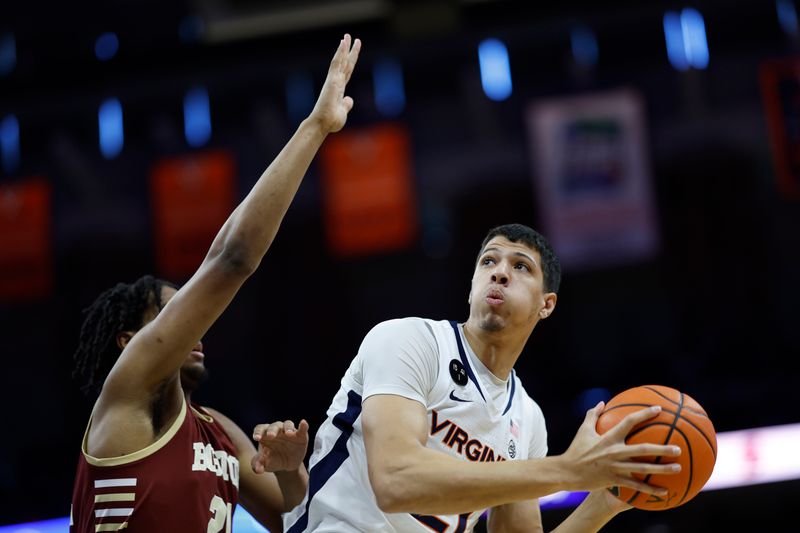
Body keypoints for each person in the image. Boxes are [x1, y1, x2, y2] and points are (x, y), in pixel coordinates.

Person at [69, 34, 362, 533]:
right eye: (168, 311)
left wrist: (291, 471)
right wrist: (315, 128)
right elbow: (231, 260)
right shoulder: (131, 393)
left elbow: (297, 520)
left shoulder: (218, 430)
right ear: (129, 342)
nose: (193, 323)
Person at [278, 223, 682, 533]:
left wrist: (605, 501)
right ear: (471, 285)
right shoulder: (409, 340)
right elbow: (396, 483)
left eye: (520, 266)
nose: (500, 273)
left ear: (546, 305)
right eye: (488, 261)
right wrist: (571, 470)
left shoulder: (527, 418)